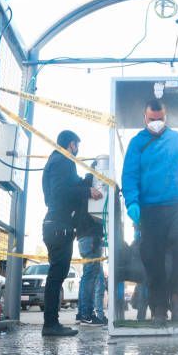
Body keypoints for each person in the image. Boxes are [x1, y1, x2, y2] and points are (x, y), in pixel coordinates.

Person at [121, 99, 178, 326]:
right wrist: (132, 202)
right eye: (152, 119)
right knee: (152, 257)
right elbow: (130, 175)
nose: (157, 122)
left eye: (160, 119)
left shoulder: (177, 138)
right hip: (149, 209)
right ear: (145, 118)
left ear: (166, 117)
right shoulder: (137, 143)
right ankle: (158, 307)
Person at [41, 130, 102, 336]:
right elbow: (61, 191)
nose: (78, 149)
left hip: (57, 225)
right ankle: (50, 325)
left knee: (57, 275)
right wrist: (87, 191)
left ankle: (51, 324)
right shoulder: (63, 160)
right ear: (72, 144)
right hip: (59, 227)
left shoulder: (56, 161)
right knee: (56, 276)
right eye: (77, 145)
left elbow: (69, 186)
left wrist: (89, 179)